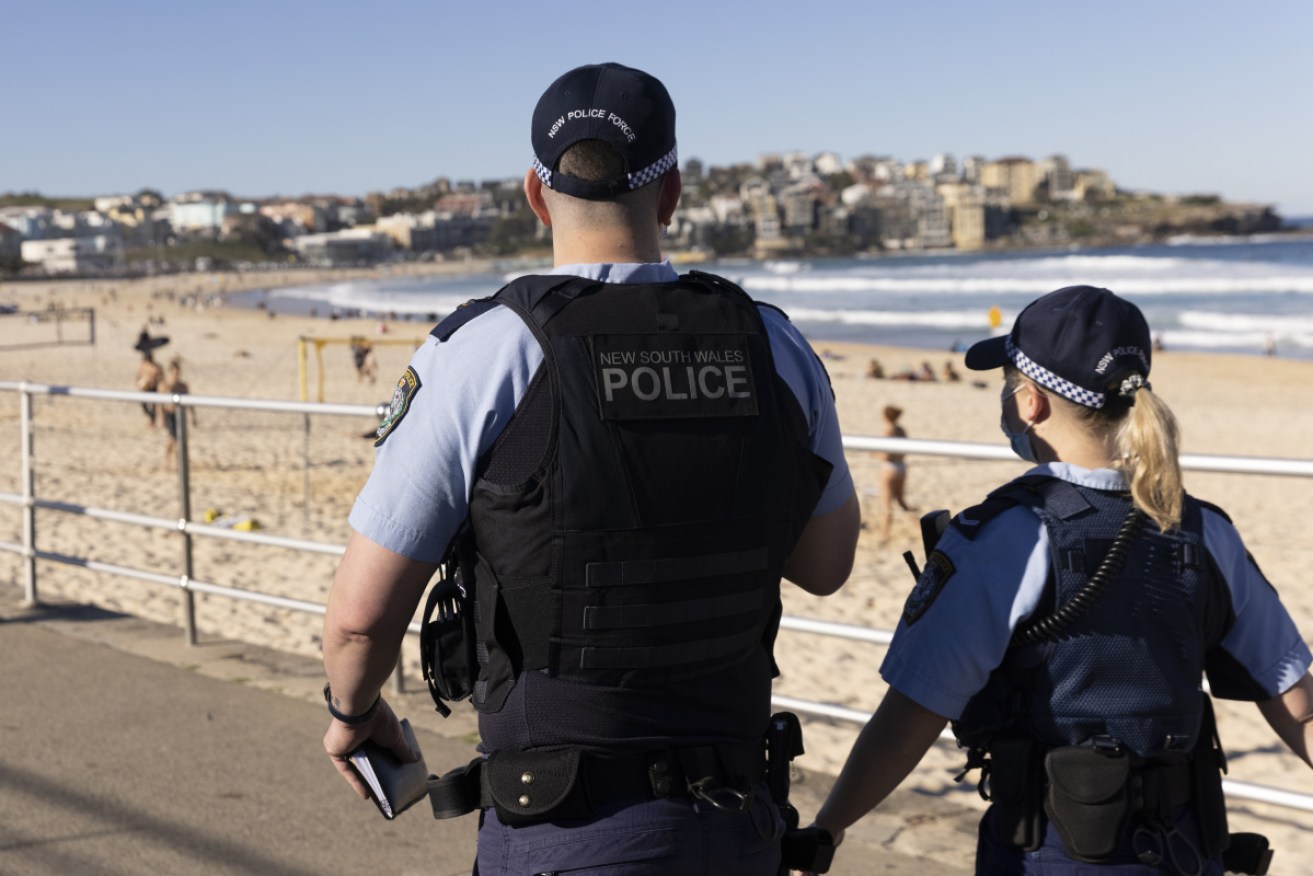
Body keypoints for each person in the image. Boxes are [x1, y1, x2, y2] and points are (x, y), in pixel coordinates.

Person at [321, 62, 861, 876]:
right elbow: (826, 567)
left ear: (536, 193)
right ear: (671, 190)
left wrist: (353, 715)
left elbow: (361, 621)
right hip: (737, 823)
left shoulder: (484, 353)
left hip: (567, 830)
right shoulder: (772, 344)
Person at [804, 285, 1313, 875]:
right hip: (1184, 850)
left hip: (1053, 851)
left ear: (1031, 403)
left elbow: (909, 719)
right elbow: (1298, 707)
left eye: (1008, 382)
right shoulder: (1206, 531)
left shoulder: (1003, 536)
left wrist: (827, 828)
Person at [877, 405, 913, 542]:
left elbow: (886, 455)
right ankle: (918, 526)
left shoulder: (888, 430)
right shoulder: (902, 430)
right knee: (902, 501)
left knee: (887, 505)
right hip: (902, 467)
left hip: (889, 468)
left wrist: (875, 454)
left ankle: (884, 535)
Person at [160, 356, 194, 464]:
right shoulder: (165, 385)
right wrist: (161, 417)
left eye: (178, 373)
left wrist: (193, 415)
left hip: (180, 414)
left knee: (180, 438)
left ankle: (177, 460)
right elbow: (159, 403)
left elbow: (189, 401)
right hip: (169, 413)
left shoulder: (183, 386)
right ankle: (169, 458)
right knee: (173, 437)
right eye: (174, 373)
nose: (176, 375)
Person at [134, 333, 165, 429]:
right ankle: (151, 419)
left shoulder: (156, 366)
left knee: (154, 406)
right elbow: (137, 377)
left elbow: (161, 377)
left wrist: (156, 382)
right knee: (145, 406)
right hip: (145, 388)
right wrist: (140, 384)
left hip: (153, 387)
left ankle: (153, 421)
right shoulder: (143, 365)